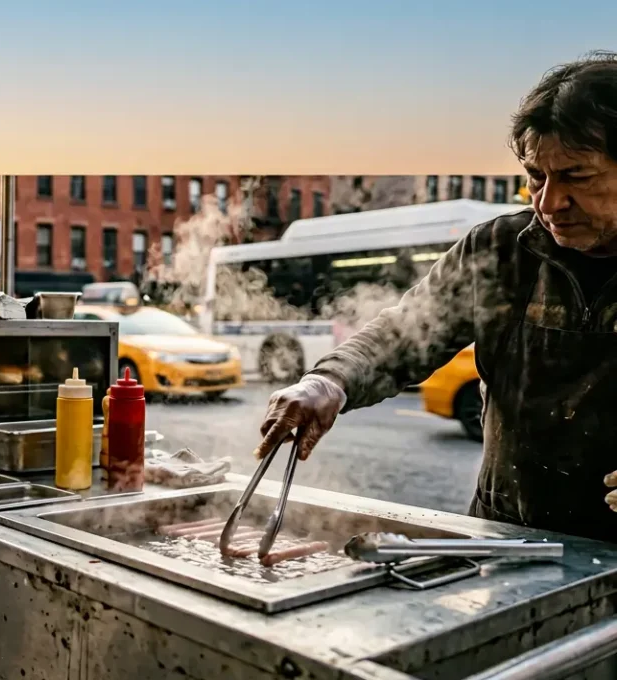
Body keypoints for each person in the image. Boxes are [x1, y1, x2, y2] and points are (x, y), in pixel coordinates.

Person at [254, 51, 617, 543]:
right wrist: (329, 380)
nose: (549, 202)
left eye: (577, 176)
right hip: (505, 536)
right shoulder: (500, 251)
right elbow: (404, 333)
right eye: (535, 176)